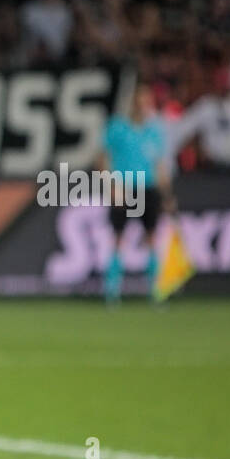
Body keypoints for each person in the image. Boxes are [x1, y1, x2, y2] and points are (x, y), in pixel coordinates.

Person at [99, 83, 174, 303]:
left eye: (146, 103)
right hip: (123, 188)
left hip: (148, 189)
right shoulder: (117, 128)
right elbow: (102, 159)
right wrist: (111, 186)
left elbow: (159, 165)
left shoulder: (154, 130)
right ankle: (112, 291)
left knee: (152, 237)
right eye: (139, 102)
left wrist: (167, 195)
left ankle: (156, 291)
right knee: (117, 238)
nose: (142, 107)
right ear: (132, 104)